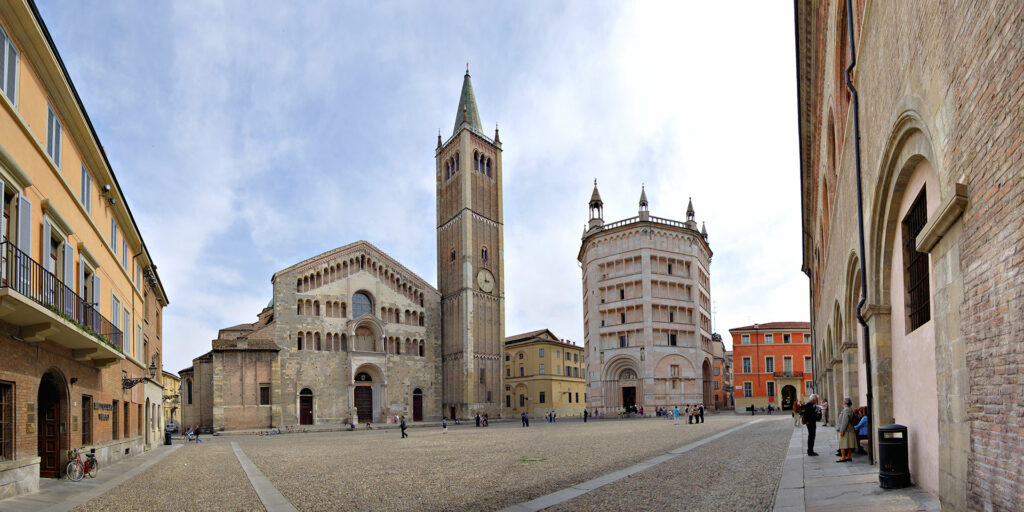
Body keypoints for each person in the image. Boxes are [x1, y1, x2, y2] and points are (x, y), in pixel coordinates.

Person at [836, 398, 856, 462]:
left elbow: (845, 421)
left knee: (842, 444)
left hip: (846, 430)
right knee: (849, 444)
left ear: (845, 403)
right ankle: (849, 456)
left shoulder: (846, 410)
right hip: (850, 429)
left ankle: (843, 457)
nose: (843, 402)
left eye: (844, 401)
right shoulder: (849, 409)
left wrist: (842, 431)